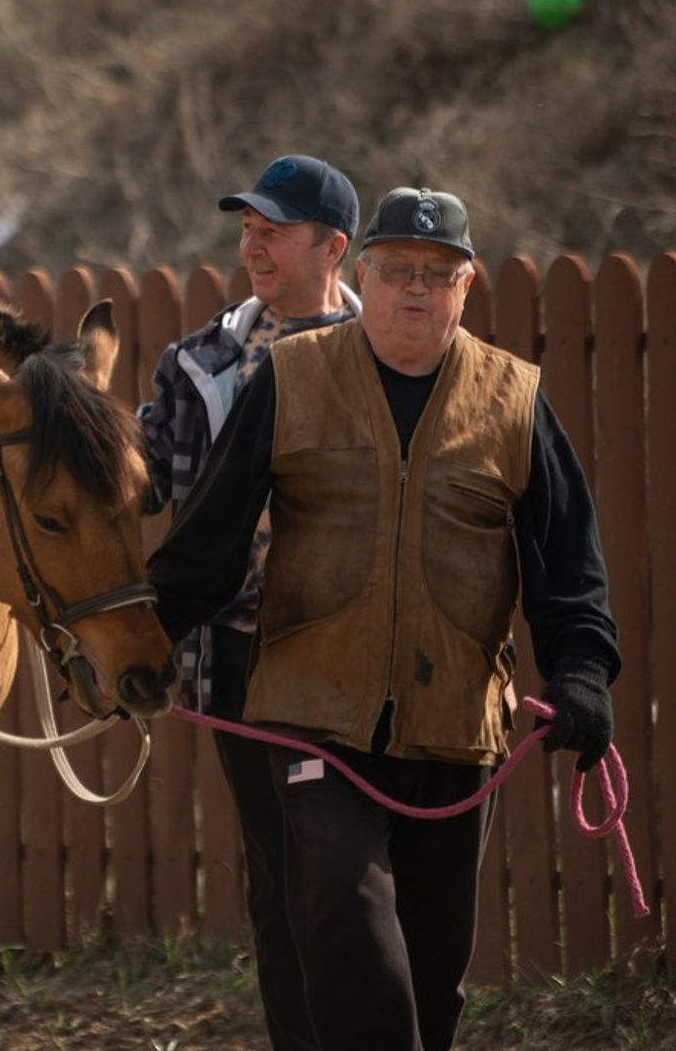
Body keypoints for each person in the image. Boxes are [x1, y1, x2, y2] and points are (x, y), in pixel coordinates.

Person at [146, 186, 619, 1051]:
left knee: (432, 977)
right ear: (361, 272)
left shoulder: (513, 400)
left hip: (453, 728)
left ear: (466, 287)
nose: (416, 289)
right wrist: (147, 641)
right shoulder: (292, 378)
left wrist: (582, 671)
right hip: (312, 713)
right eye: (398, 268)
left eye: (438, 275)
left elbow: (568, 563)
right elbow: (205, 543)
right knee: (347, 922)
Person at [138, 153, 361, 1051]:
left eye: (275, 230)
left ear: (334, 246)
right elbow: (145, 482)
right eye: (247, 228)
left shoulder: (385, 353)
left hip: (351, 655)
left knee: (350, 879)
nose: (253, 245)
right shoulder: (200, 362)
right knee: (276, 879)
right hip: (236, 653)